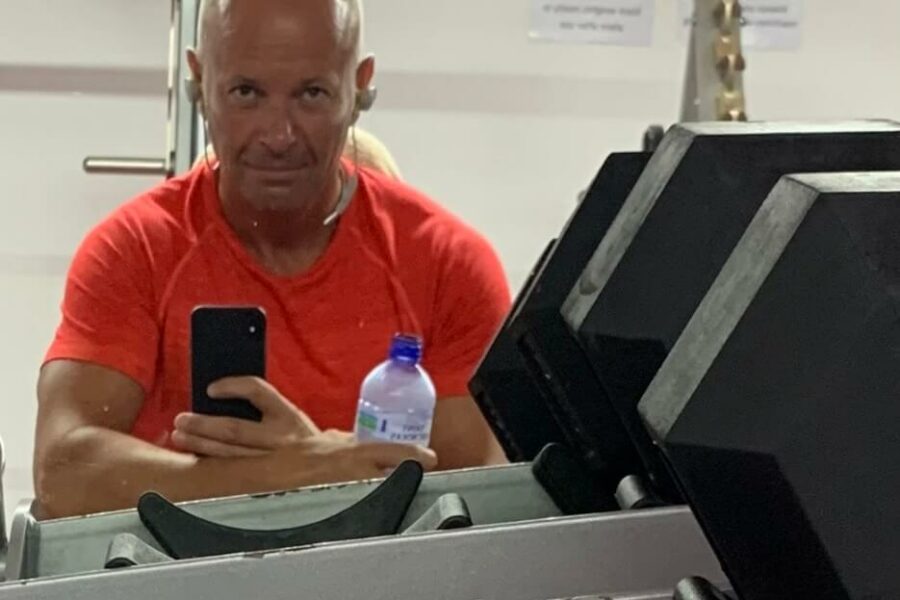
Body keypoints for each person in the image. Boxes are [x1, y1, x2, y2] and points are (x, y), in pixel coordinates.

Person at [34, 0, 510, 519]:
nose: (277, 134)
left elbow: (481, 503)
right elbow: (62, 473)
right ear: (198, 81)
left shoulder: (449, 263)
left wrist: (305, 474)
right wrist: (298, 471)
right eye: (246, 93)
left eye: (311, 94)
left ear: (359, 87)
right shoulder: (134, 250)